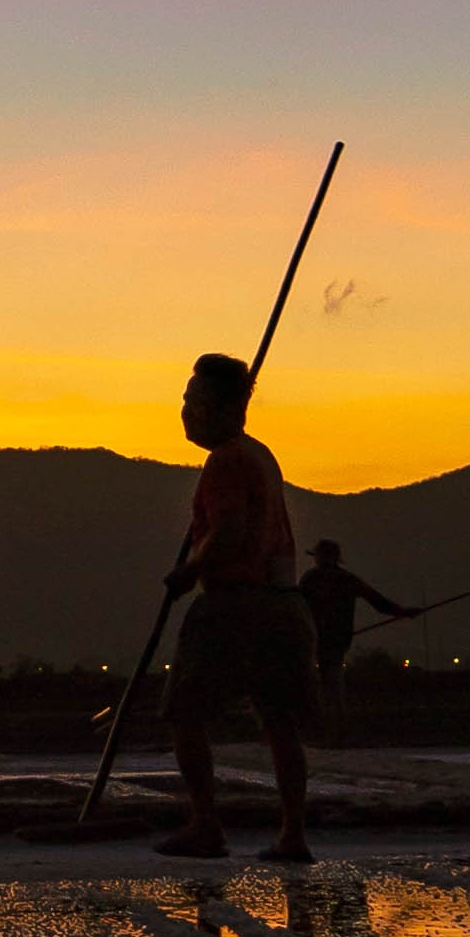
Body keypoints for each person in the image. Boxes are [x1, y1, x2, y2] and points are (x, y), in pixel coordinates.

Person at [157, 352, 317, 863]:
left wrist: (189, 572)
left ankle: (206, 825)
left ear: (215, 407)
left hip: (235, 605)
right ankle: (293, 834)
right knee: (278, 720)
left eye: (190, 401)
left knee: (183, 711)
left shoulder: (226, 460)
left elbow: (228, 536)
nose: (184, 411)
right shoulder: (259, 454)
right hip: (281, 606)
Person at [296, 539, 418, 711]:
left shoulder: (310, 579)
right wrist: (403, 612)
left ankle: (325, 719)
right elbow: (379, 602)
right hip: (336, 639)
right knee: (332, 679)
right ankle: (335, 719)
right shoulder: (345, 579)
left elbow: (298, 609)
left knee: (321, 680)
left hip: (316, 638)